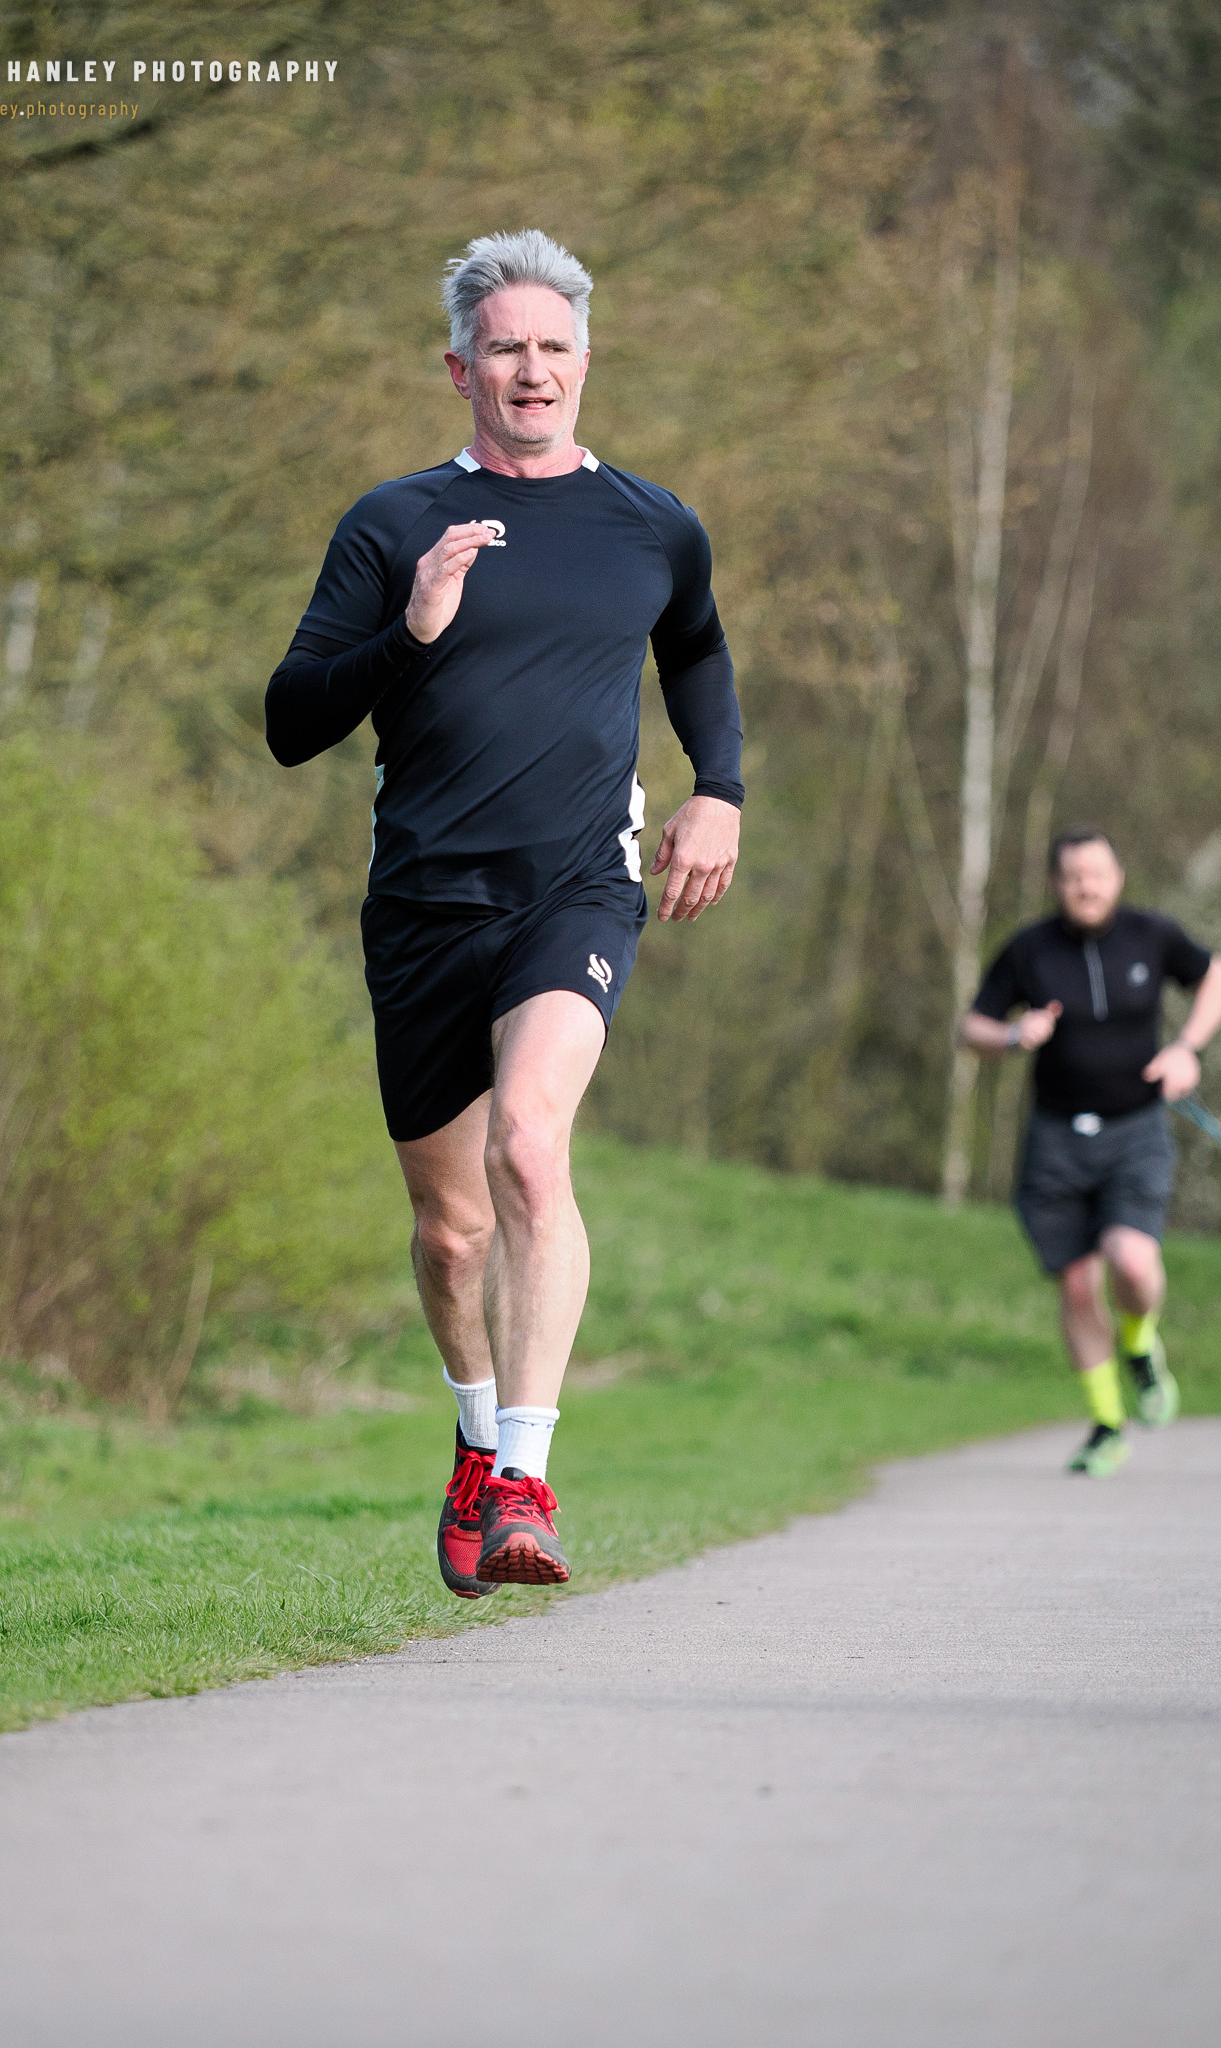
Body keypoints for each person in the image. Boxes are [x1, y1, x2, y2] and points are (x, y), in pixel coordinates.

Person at [265, 230, 742, 1590]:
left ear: (585, 361)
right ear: (459, 368)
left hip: (576, 889)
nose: (533, 369)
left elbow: (697, 648)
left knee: (531, 1149)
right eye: (506, 348)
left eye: (554, 347)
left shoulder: (652, 524)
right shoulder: (392, 523)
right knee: (451, 1229)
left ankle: (526, 1479)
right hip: (424, 904)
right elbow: (292, 721)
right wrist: (410, 628)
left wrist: (720, 788)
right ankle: (476, 1444)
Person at [959, 828, 1221, 1475]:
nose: (1087, 887)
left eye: (1098, 874)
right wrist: (1014, 1034)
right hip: (1055, 1141)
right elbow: (971, 1027)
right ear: (1057, 884)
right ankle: (1107, 1425)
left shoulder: (1152, 935)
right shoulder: (1029, 950)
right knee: (1078, 1286)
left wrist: (1187, 1048)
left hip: (1136, 1132)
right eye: (1074, 876)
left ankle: (1139, 1344)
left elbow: (1213, 975)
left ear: (1118, 877)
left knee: (1132, 1260)